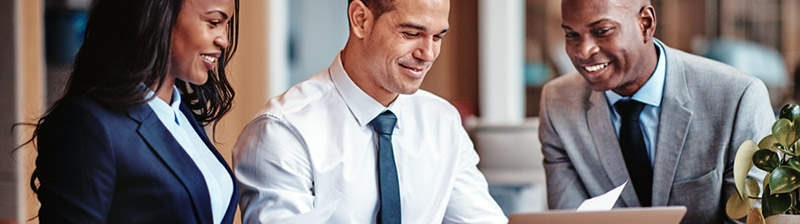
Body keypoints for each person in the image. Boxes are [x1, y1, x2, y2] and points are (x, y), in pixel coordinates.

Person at [232, 0, 507, 223]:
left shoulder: (442, 122)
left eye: (438, 37)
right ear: (360, 20)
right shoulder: (283, 131)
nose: (428, 53)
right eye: (411, 33)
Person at [539, 0, 774, 223]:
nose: (583, 51)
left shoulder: (737, 98)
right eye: (571, 35)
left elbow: (748, 220)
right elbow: (568, 218)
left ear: (646, 23)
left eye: (602, 31)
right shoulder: (558, 104)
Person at [29, 0, 240, 223]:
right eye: (214, 22)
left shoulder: (180, 115)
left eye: (226, 25)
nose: (224, 40)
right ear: (159, 15)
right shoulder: (89, 124)